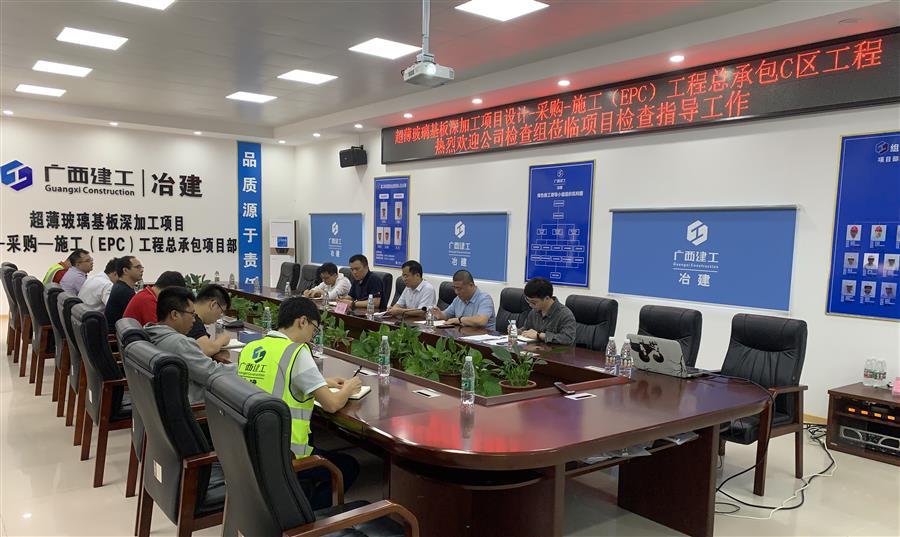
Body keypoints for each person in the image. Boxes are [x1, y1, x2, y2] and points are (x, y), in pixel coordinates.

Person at [237, 296, 362, 509]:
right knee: (348, 467)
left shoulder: (252, 347)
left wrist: (322, 382)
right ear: (302, 321)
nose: (313, 336)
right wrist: (348, 388)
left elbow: (276, 378)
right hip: (287, 453)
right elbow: (332, 404)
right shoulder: (296, 351)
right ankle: (308, 515)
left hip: (253, 446)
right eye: (314, 329)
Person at [145, 287, 235, 404]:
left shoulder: (150, 333)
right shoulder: (180, 343)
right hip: (197, 405)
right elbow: (213, 373)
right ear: (175, 314)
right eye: (192, 314)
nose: (194, 320)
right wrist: (244, 367)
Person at [430, 269, 496, 330]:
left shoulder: (485, 299)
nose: (456, 292)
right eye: (454, 288)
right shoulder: (458, 299)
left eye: (459, 288)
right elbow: (446, 315)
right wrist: (439, 314)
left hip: (482, 337)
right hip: (463, 335)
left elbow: (481, 321)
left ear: (471, 285)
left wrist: (459, 320)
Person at [520, 277, 577, 345]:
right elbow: (526, 329)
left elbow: (567, 339)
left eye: (533, 302)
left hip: (557, 351)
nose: (530, 305)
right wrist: (516, 331)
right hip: (536, 349)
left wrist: (539, 335)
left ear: (547, 298)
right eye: (528, 301)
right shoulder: (534, 312)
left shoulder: (565, 314)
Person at [186, 284, 232, 357]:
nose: (219, 317)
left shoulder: (187, 313)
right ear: (213, 305)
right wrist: (222, 340)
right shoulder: (193, 320)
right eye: (221, 312)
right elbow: (207, 350)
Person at [105, 256, 144, 330]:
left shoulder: (120, 287)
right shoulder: (124, 292)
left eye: (141, 267)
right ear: (125, 270)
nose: (141, 270)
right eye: (138, 267)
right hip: (118, 334)